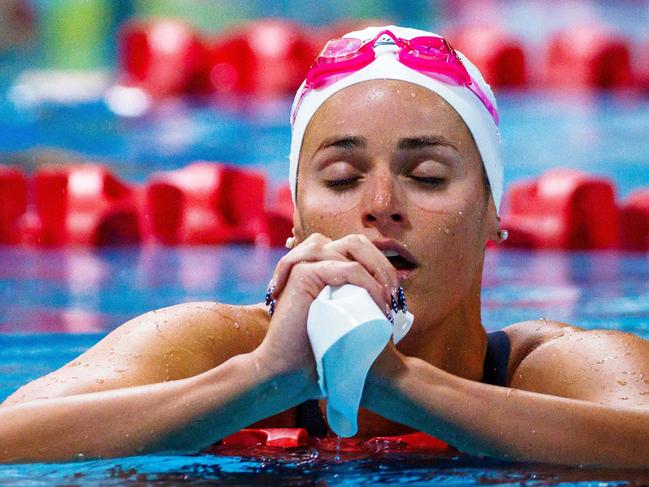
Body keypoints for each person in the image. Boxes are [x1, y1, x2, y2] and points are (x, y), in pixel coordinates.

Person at [2, 25, 649, 467]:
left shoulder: (555, 369)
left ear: (492, 215)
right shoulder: (211, 348)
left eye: (427, 176)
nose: (380, 203)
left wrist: (399, 386)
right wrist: (256, 382)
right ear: (294, 219)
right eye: (341, 178)